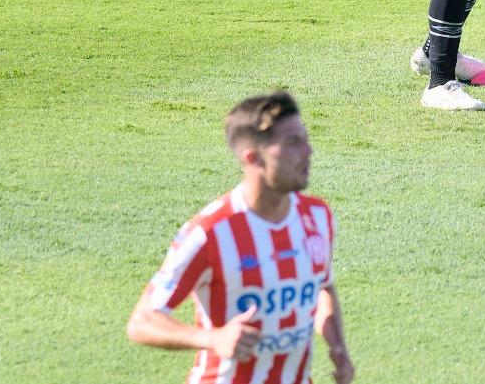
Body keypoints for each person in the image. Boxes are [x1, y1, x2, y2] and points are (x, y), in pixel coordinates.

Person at [126, 91, 355, 384]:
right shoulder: (210, 233)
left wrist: (338, 348)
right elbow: (142, 322)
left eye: (305, 139)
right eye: (293, 143)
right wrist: (213, 338)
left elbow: (322, 285)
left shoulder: (317, 217)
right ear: (252, 158)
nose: (308, 151)